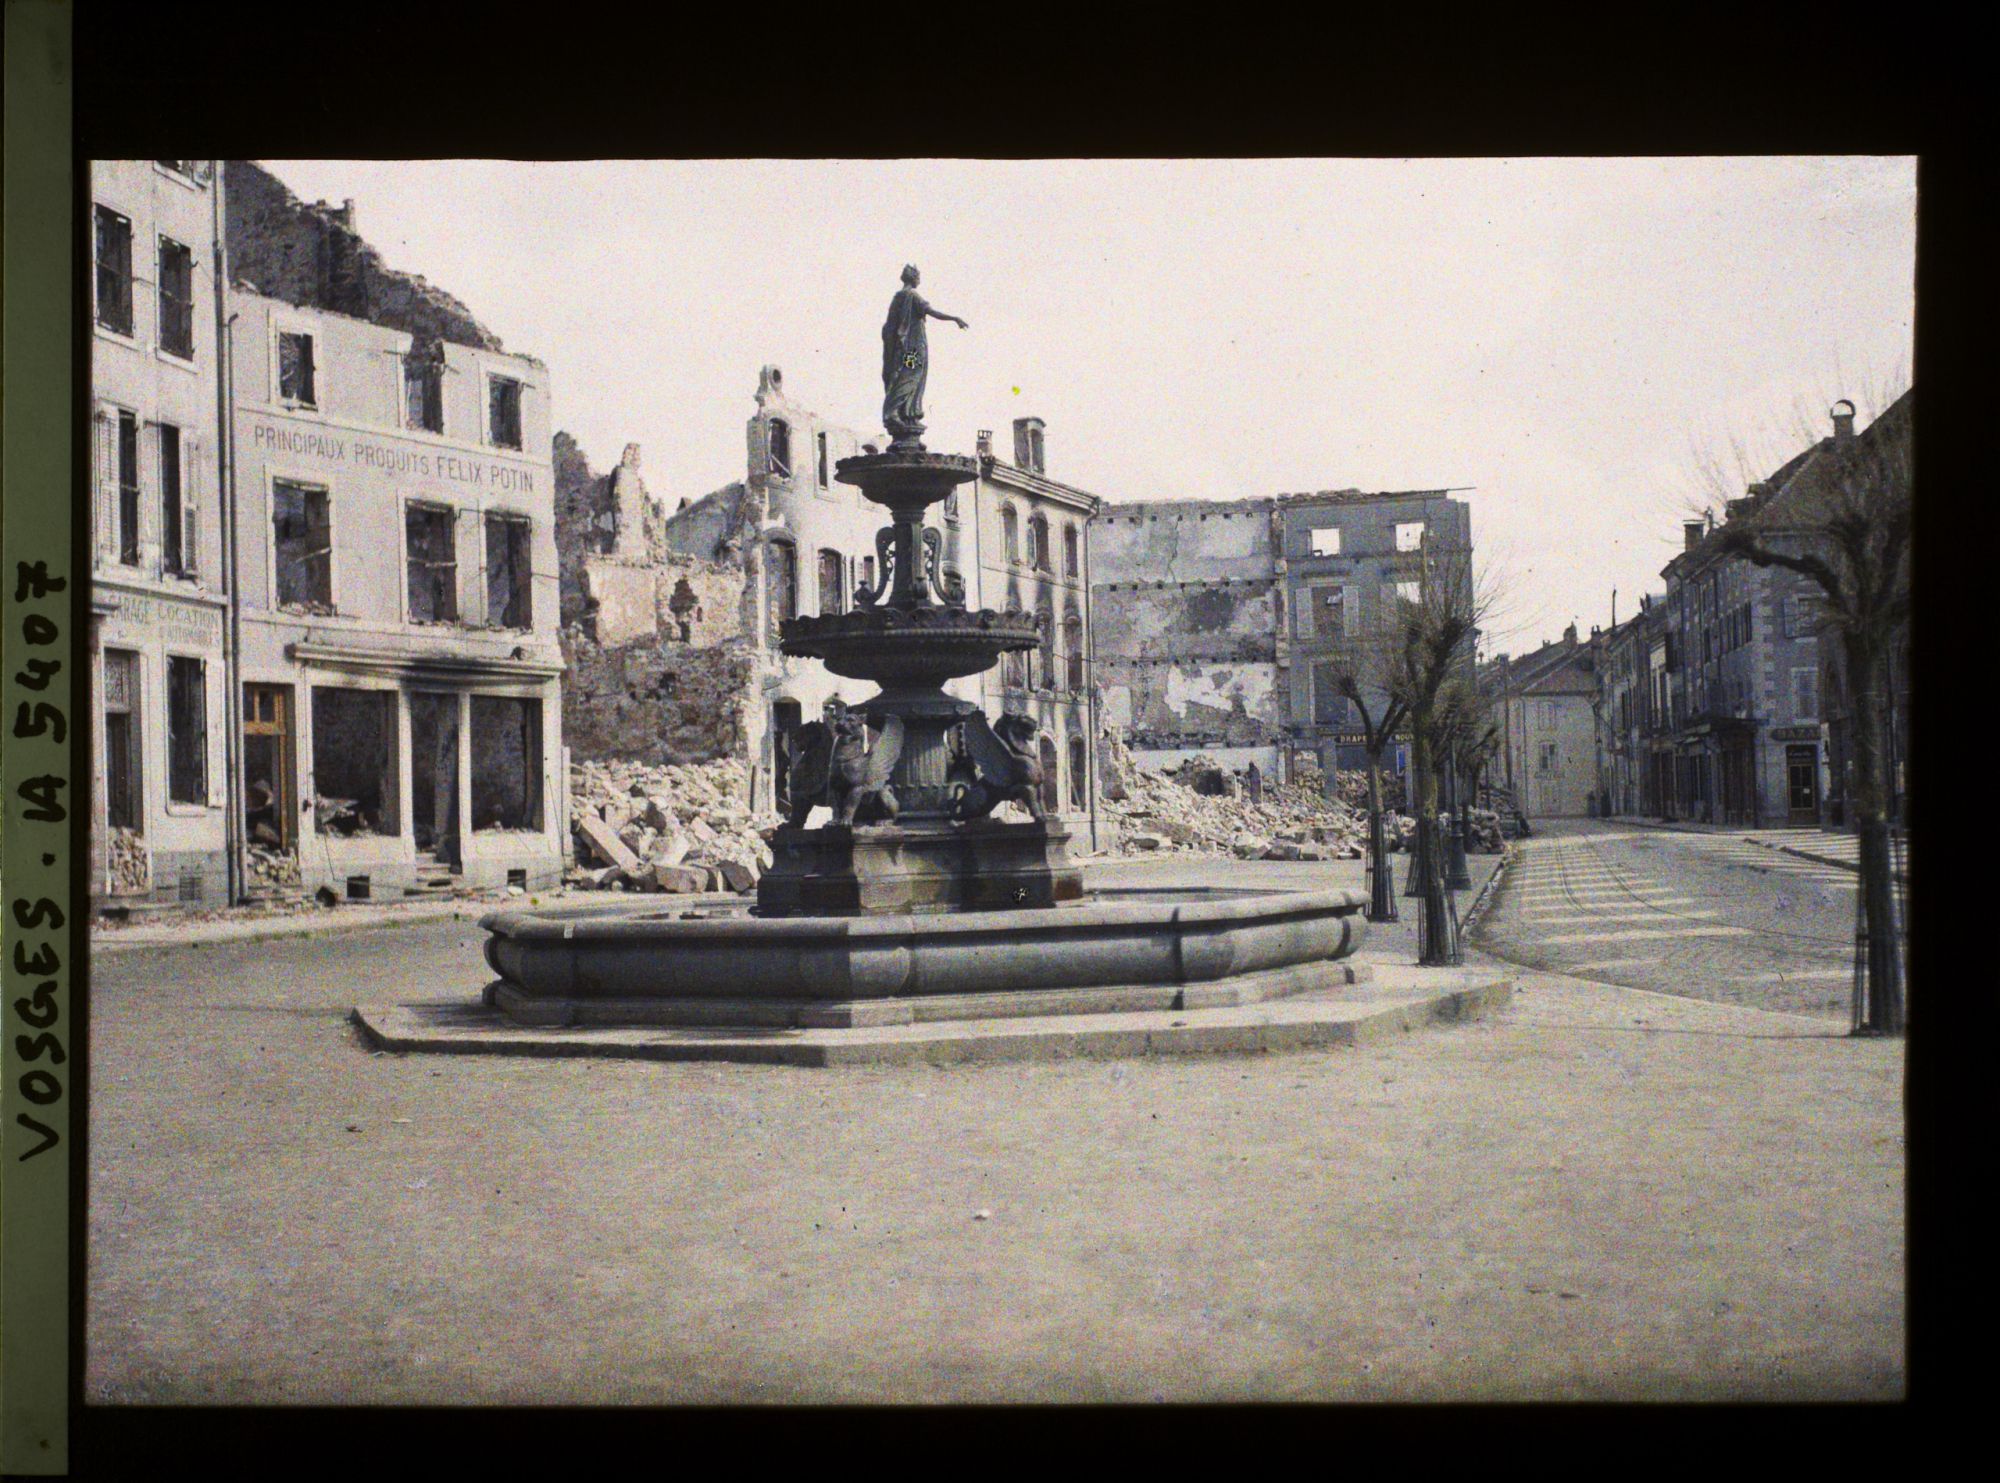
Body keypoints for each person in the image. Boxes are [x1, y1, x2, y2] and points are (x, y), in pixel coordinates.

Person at [880, 264, 968, 444]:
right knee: (910, 376)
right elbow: (932, 312)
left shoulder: (897, 297)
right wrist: (955, 319)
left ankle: (907, 413)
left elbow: (888, 327)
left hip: (903, 347)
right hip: (912, 348)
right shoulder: (912, 295)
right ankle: (893, 411)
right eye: (918, 277)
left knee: (908, 376)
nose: (919, 280)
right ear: (913, 278)